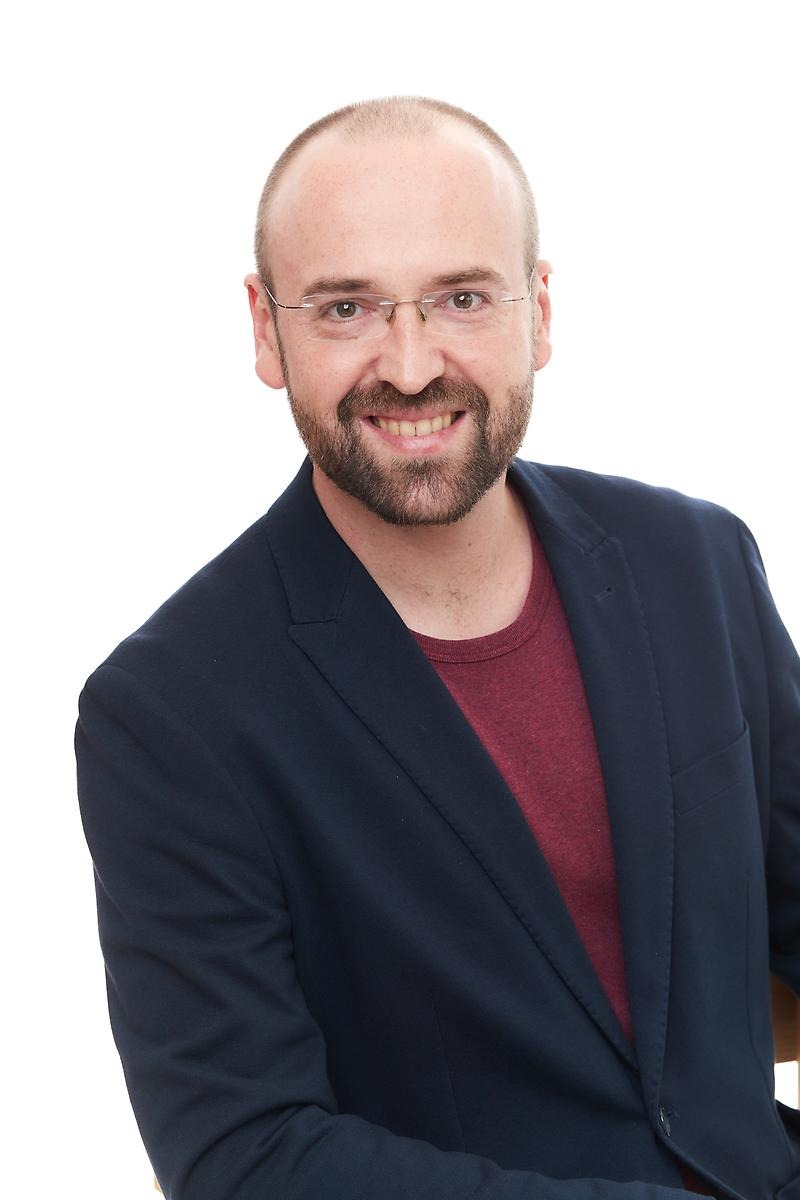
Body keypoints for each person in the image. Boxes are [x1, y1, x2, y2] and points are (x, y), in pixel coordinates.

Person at [76, 96, 800, 1200]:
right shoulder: (171, 712)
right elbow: (248, 1160)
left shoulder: (693, 560)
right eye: (346, 308)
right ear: (267, 331)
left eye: (461, 298)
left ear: (538, 312)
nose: (410, 367)